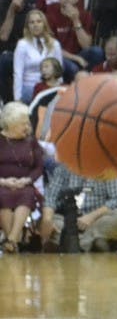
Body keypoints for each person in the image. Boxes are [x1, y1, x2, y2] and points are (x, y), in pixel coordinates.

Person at [39, 161, 117, 253]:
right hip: (69, 220)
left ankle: (75, 245)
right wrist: (47, 219)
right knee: (46, 221)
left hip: (99, 220)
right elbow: (51, 196)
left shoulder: (111, 168)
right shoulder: (64, 167)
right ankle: (95, 244)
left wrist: (91, 217)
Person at [0, 102, 44, 253]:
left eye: (27, 123)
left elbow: (39, 167)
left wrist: (27, 180)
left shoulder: (31, 141)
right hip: (1, 184)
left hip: (25, 184)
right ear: (11, 124)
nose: (27, 127)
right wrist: (3, 181)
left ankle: (11, 240)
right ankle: (12, 241)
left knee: (26, 194)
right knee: (3, 196)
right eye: (23, 124)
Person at [13, 10, 63, 104]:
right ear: (28, 26)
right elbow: (18, 73)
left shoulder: (55, 44)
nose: (35, 25)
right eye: (32, 22)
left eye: (39, 21)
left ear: (44, 24)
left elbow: (59, 70)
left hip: (50, 86)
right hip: (29, 87)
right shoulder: (22, 44)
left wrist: (59, 91)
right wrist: (17, 99)